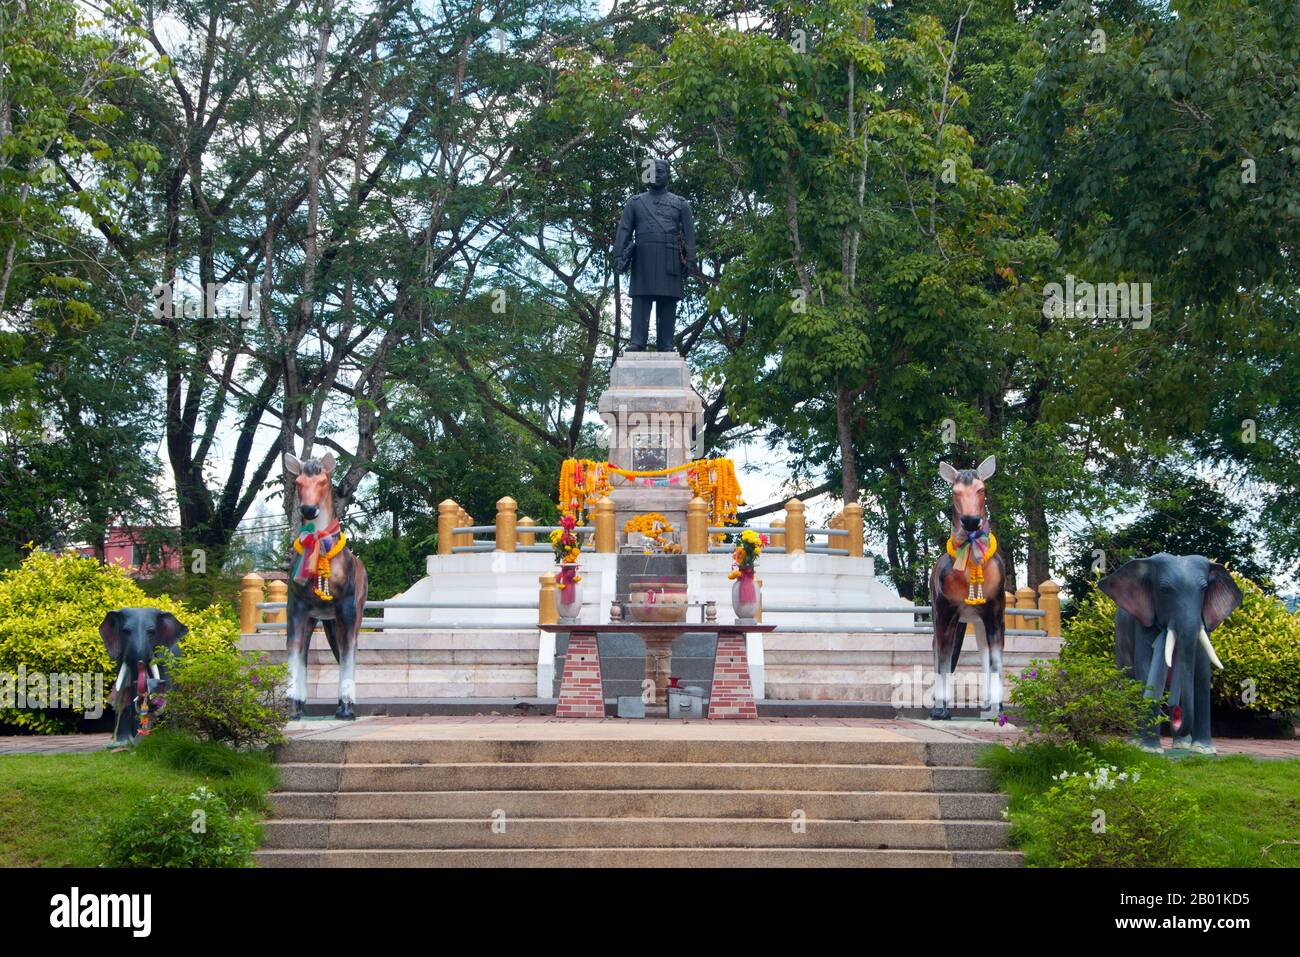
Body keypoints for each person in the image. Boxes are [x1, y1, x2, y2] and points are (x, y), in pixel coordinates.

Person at [614, 158, 696, 352]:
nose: (656, 175)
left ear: (668, 175)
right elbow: (624, 230)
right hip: (643, 255)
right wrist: (618, 255)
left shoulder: (680, 204)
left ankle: (666, 343)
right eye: (652, 171)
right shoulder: (635, 203)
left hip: (670, 255)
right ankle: (637, 341)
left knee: (668, 300)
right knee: (641, 299)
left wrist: (690, 259)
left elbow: (689, 235)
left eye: (660, 171)